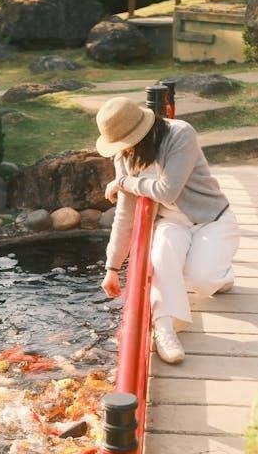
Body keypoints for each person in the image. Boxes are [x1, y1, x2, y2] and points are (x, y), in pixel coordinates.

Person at [96, 96, 240, 364]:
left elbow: (167, 190)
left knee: (202, 280)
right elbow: (125, 215)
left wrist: (125, 182)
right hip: (171, 222)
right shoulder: (125, 156)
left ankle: (220, 277)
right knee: (161, 256)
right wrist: (112, 268)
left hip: (211, 218)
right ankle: (165, 329)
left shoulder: (180, 134)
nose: (124, 149)